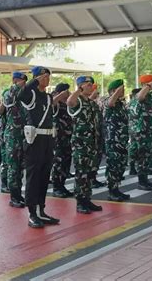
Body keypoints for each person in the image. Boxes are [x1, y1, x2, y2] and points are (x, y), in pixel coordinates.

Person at [18, 66, 59, 227]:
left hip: (48, 138)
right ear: (36, 78)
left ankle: (41, 209)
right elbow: (22, 94)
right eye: (43, 76)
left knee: (44, 176)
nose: (47, 79)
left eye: (48, 76)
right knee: (33, 177)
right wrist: (34, 82)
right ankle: (32, 213)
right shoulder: (31, 94)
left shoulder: (48, 97)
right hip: (34, 140)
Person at [67, 76, 104, 213]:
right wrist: (79, 90)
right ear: (80, 86)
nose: (91, 86)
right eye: (87, 85)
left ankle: (87, 199)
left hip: (92, 145)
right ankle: (80, 202)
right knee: (81, 174)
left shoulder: (92, 103)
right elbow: (70, 101)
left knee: (90, 174)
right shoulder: (78, 101)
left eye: (91, 84)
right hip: (81, 145)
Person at [128, 74, 152, 190]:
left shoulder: (150, 97)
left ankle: (145, 180)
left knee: (147, 157)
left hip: (149, 131)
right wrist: (147, 86)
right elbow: (140, 97)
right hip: (140, 132)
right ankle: (142, 182)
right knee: (142, 157)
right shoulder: (139, 95)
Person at [2, 72, 27, 207]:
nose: (23, 83)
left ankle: (18, 195)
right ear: (15, 81)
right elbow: (9, 101)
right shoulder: (9, 93)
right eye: (21, 81)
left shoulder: (23, 96)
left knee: (20, 167)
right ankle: (14, 197)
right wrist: (17, 86)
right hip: (12, 135)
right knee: (13, 167)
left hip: (23, 135)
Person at [104, 79, 130, 201]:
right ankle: (112, 191)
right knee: (113, 165)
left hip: (123, 140)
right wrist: (116, 93)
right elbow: (109, 103)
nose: (123, 91)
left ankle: (117, 189)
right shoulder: (108, 100)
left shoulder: (121, 103)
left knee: (121, 164)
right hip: (113, 140)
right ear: (113, 91)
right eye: (121, 89)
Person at [50, 83, 73, 198]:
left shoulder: (67, 104)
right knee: (58, 164)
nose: (68, 93)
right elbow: (50, 104)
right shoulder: (57, 104)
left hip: (68, 139)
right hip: (58, 139)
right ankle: (56, 187)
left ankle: (62, 185)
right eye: (66, 91)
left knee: (66, 163)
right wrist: (60, 95)